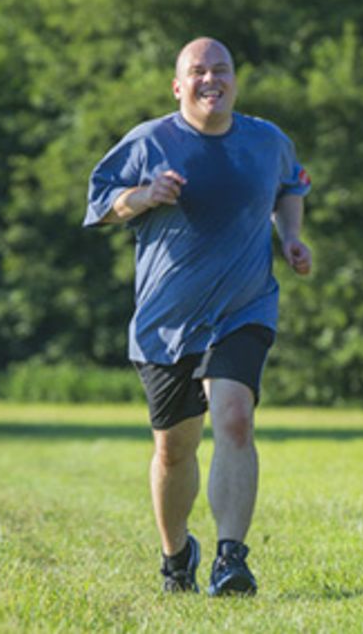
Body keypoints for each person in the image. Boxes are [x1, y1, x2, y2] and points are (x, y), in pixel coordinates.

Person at [83, 37, 312, 596]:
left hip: (244, 305)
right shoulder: (150, 140)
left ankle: (232, 558)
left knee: (234, 418)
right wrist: (145, 194)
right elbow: (100, 206)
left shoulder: (267, 140)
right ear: (178, 85)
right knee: (173, 448)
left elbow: (291, 185)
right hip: (166, 321)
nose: (211, 80)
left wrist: (292, 238)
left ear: (235, 79)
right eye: (198, 72)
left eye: (221, 70)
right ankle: (176, 554)